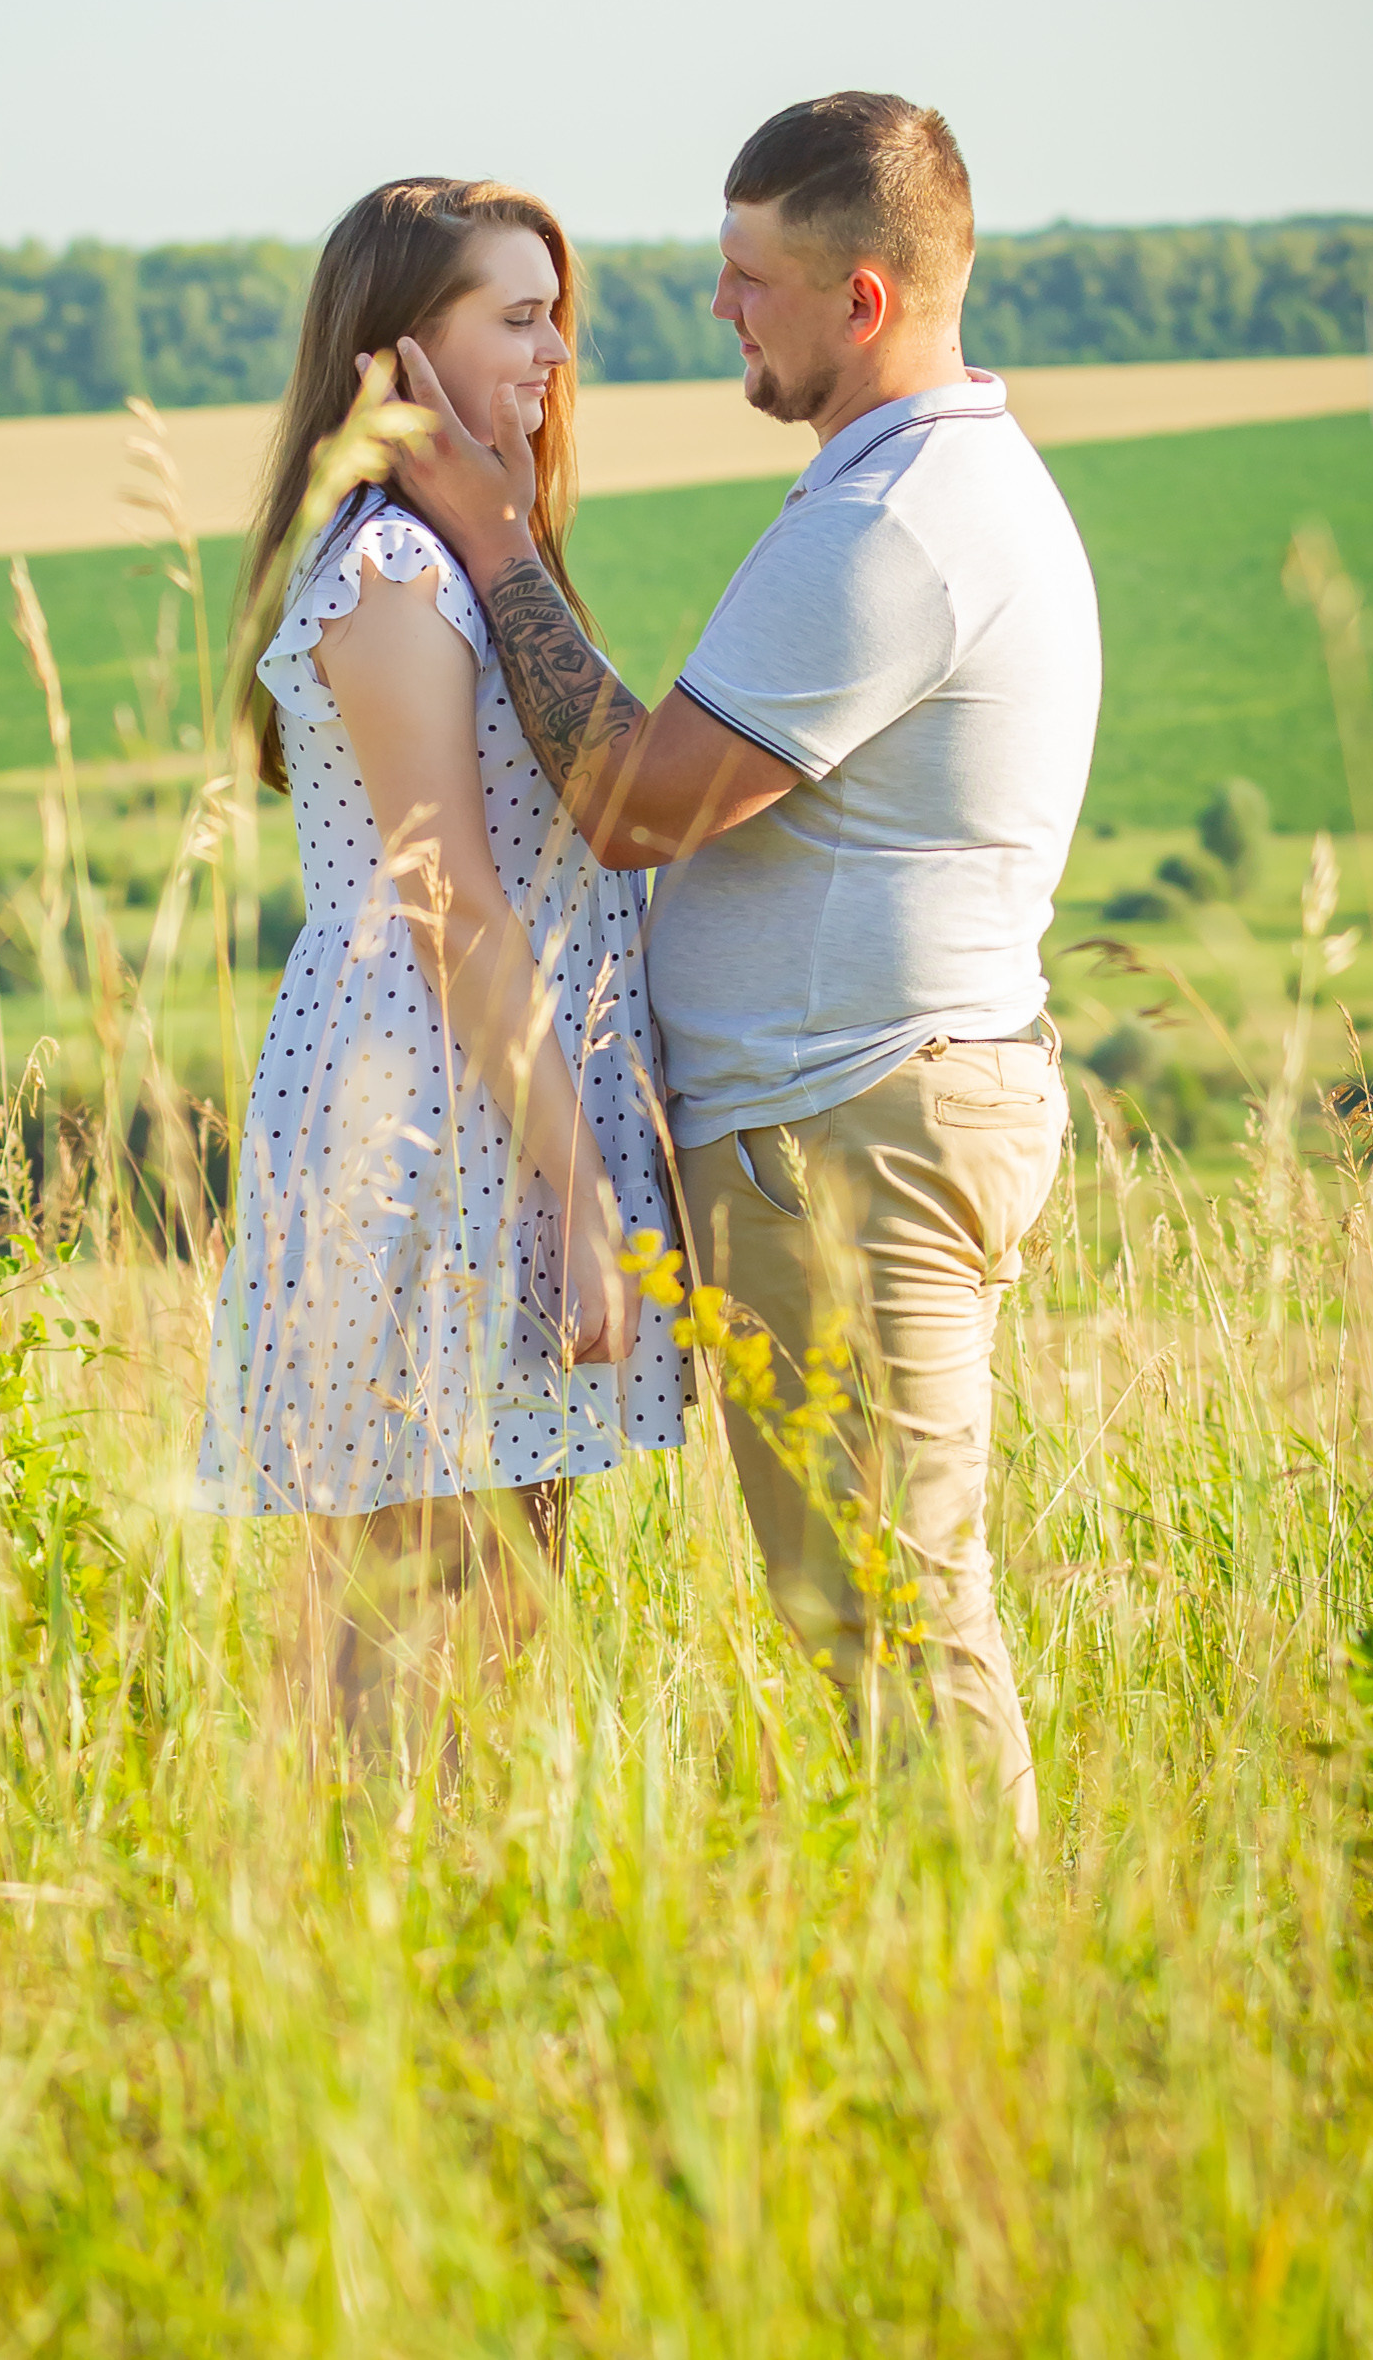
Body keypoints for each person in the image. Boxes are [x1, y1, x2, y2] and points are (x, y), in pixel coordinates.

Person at [385, 93, 1101, 1843]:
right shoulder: (908, 484)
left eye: (749, 275)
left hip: (847, 1129)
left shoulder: (901, 525)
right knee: (865, 1596)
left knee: (891, 1605)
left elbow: (638, 803)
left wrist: (489, 538)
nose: (717, 306)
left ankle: (988, 2020)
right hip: (855, 1111)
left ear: (862, 298)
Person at [194, 176, 690, 1743]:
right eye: (516, 316)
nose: (555, 355)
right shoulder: (396, 573)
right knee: (412, 1635)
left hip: (482, 1102)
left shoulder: (462, 559)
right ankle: (358, 1940)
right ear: (399, 353)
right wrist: (576, 1188)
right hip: (425, 1121)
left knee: (488, 1616)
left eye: (563, 318)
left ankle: (434, 1947)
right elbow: (452, 903)